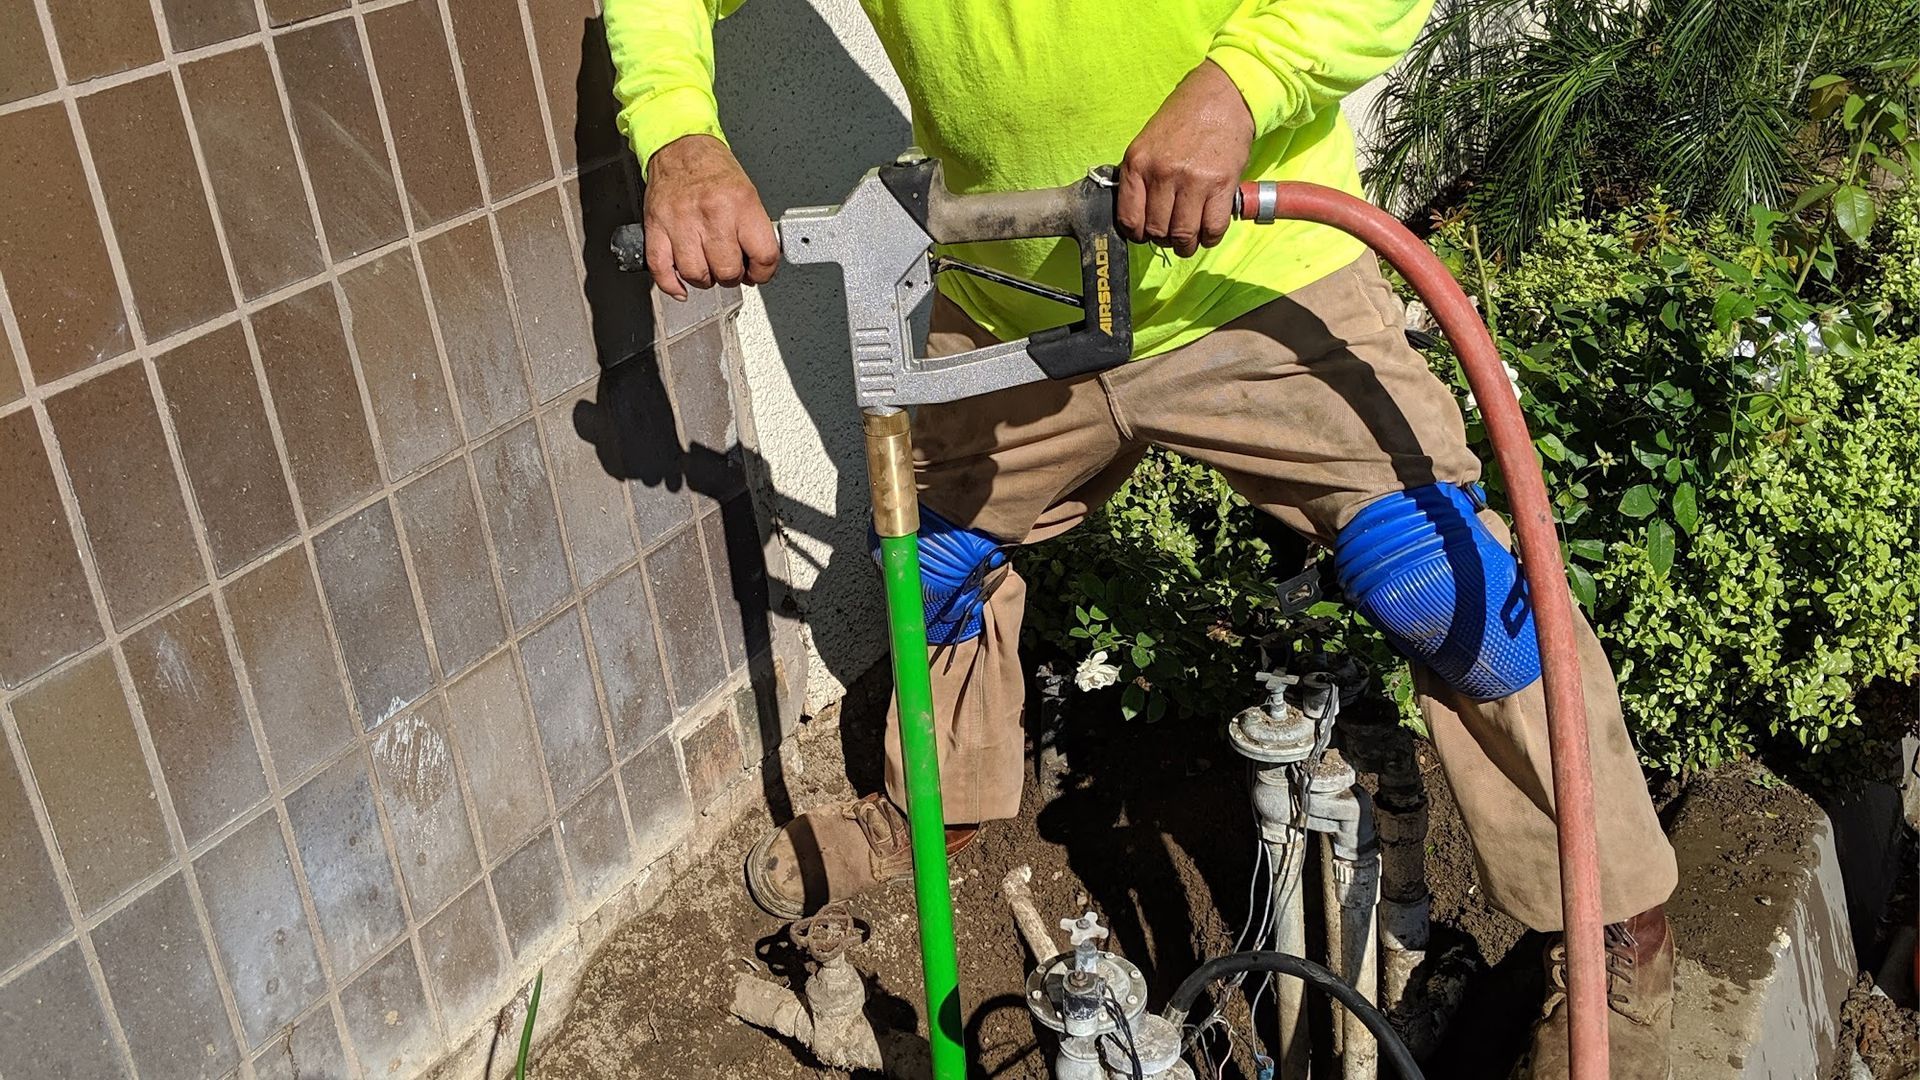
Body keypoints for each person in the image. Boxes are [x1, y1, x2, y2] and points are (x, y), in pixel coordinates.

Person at [605, 2, 1679, 1074]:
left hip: (1251, 275)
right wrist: (678, 127)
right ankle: (936, 804)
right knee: (927, 571)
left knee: (1437, 581)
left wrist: (1241, 86)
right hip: (1012, 293)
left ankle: (1611, 919)